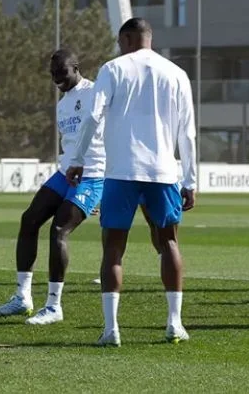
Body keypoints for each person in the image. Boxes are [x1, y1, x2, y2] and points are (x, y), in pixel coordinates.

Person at [66, 18, 196, 347]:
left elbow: (93, 116)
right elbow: (188, 133)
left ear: (126, 38)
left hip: (121, 172)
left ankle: (111, 330)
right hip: (164, 173)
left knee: (113, 248)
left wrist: (77, 159)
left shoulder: (113, 69)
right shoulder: (177, 73)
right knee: (168, 243)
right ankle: (174, 324)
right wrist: (191, 180)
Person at [0, 49, 105, 325]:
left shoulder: (95, 93)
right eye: (53, 74)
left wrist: (106, 186)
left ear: (76, 67)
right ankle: (22, 297)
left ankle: (54, 306)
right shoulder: (62, 104)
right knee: (29, 220)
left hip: (93, 175)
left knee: (59, 230)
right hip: (65, 173)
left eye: (62, 72)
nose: (57, 79)